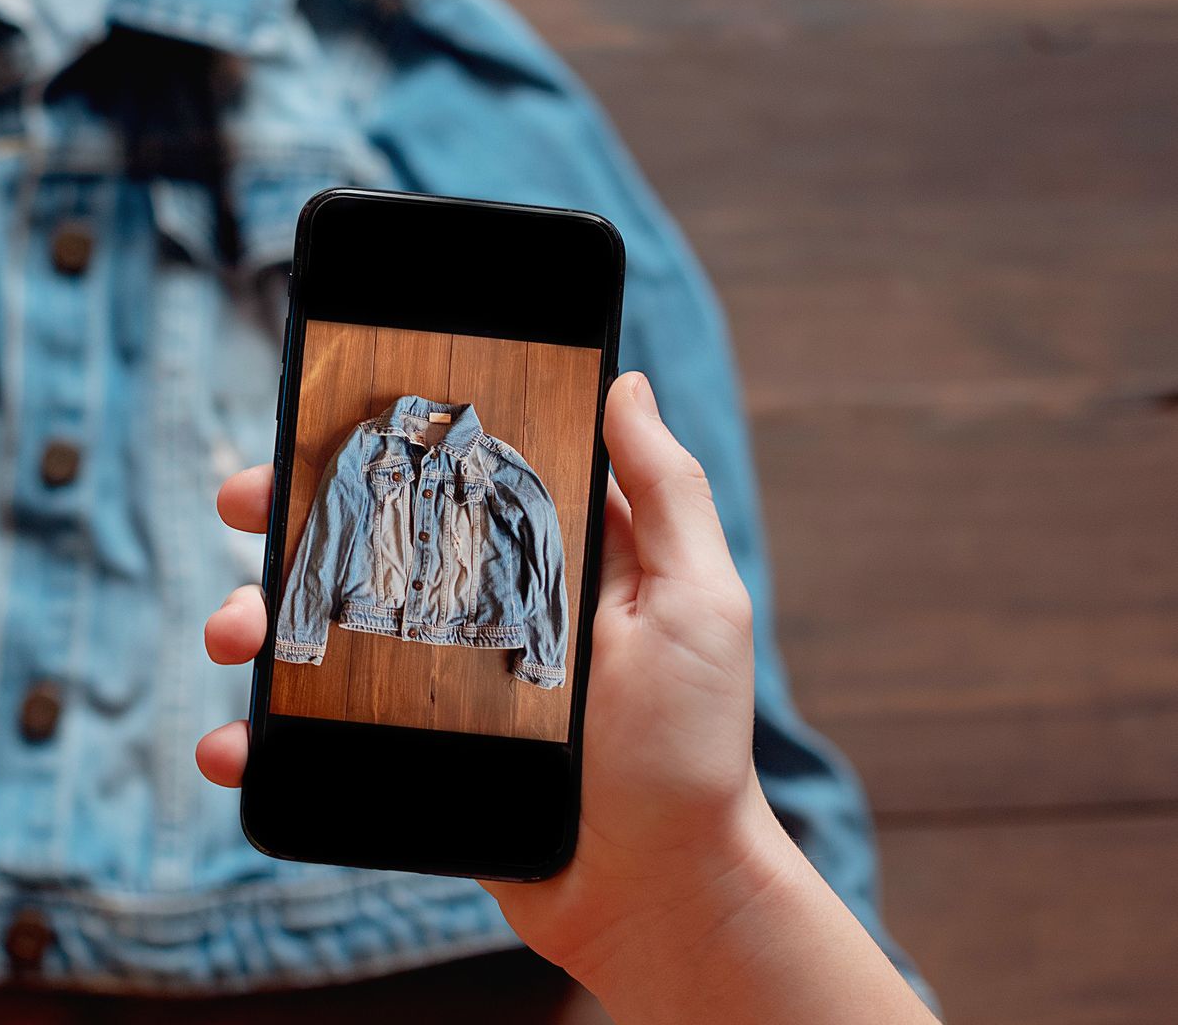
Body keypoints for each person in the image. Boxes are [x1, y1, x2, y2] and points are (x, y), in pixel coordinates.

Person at [196, 372, 940, 1024]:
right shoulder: (366, 447)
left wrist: (544, 661)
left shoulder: (502, 465)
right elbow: (327, 533)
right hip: (371, 616)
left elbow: (545, 552)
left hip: (480, 629)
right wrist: (300, 637)